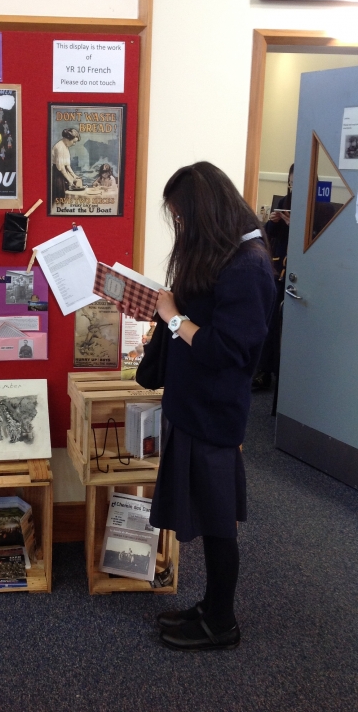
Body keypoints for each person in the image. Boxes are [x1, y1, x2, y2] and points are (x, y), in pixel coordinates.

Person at [123, 162, 275, 652]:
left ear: (204, 212)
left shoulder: (249, 266)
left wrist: (172, 318)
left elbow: (227, 353)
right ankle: (210, 606)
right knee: (210, 516)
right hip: (194, 407)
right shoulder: (223, 256)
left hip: (215, 413)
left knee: (217, 518)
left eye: (182, 220)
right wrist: (167, 308)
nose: (180, 229)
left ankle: (222, 621)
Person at [252, 163, 293, 391]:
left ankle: (276, 372)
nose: (293, 186)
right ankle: (264, 371)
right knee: (269, 318)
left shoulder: (317, 207)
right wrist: (273, 221)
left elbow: (313, 239)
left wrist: (294, 224)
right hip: (279, 264)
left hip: (295, 264)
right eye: (291, 182)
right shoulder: (283, 202)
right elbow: (269, 235)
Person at [51, 128, 82, 200]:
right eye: (74, 142)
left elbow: (67, 165)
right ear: (67, 139)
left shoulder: (65, 146)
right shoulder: (60, 147)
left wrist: (74, 176)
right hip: (57, 174)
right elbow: (61, 167)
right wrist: (69, 180)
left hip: (62, 172)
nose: (74, 144)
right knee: (60, 194)